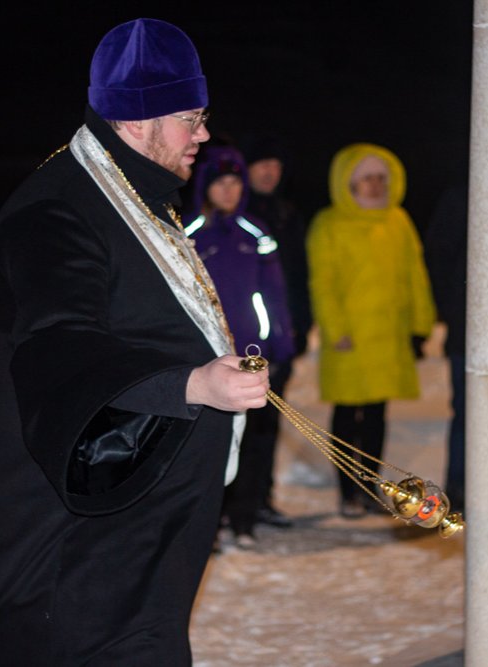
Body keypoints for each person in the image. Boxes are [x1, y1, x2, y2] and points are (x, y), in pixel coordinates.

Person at [0, 19, 269, 665]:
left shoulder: (137, 195)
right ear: (136, 119)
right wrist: (192, 384)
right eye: (190, 119)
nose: (202, 134)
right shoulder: (55, 211)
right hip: (75, 546)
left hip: (138, 538)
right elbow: (59, 343)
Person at [306, 143, 436, 518]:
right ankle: (348, 491)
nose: (376, 185)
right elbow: (323, 283)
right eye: (367, 178)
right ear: (348, 183)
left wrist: (420, 325)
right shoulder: (329, 224)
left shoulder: (398, 221)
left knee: (378, 414)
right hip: (350, 339)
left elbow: (415, 276)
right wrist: (336, 330)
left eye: (381, 177)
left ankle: (370, 488)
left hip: (388, 336)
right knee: (348, 415)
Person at [184, 145, 296, 547]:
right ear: (206, 187)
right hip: (208, 356)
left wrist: (280, 342)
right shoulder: (189, 234)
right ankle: (210, 523)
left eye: (235, 183)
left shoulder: (257, 233)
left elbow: (274, 293)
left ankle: (244, 520)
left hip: (252, 353)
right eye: (221, 183)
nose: (229, 191)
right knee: (210, 443)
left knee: (253, 440)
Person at [240, 132, 313, 527]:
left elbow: (299, 275)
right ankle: (235, 507)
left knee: (269, 421)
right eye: (262, 164)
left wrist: (301, 324)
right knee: (243, 425)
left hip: (281, 335)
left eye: (276, 165)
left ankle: (260, 498)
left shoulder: (287, 214)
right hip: (245, 338)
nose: (270, 172)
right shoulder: (237, 213)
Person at [423, 183, 468, 513]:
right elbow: (437, 256)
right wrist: (453, 309)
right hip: (467, 332)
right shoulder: (461, 195)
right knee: (466, 412)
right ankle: (459, 491)